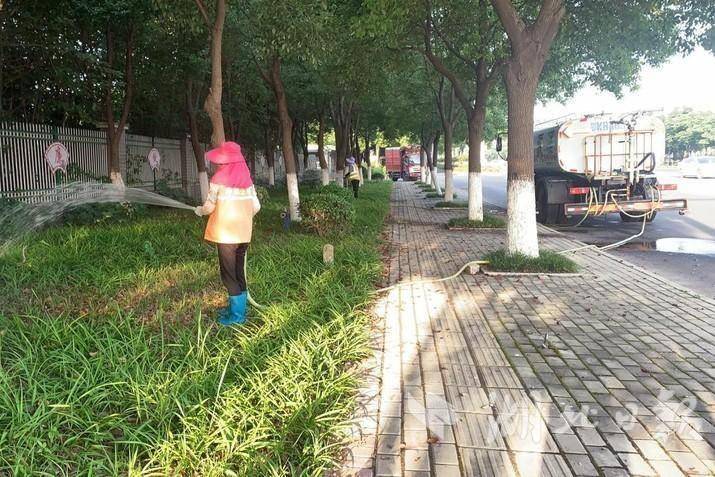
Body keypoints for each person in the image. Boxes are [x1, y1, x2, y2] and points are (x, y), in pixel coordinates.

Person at [194, 141, 261, 326]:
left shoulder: (218, 180)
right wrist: (243, 218)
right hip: (244, 235)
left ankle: (237, 316)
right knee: (239, 273)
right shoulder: (247, 181)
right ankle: (238, 309)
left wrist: (200, 210)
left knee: (229, 275)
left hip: (226, 236)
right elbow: (256, 207)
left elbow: (209, 207)